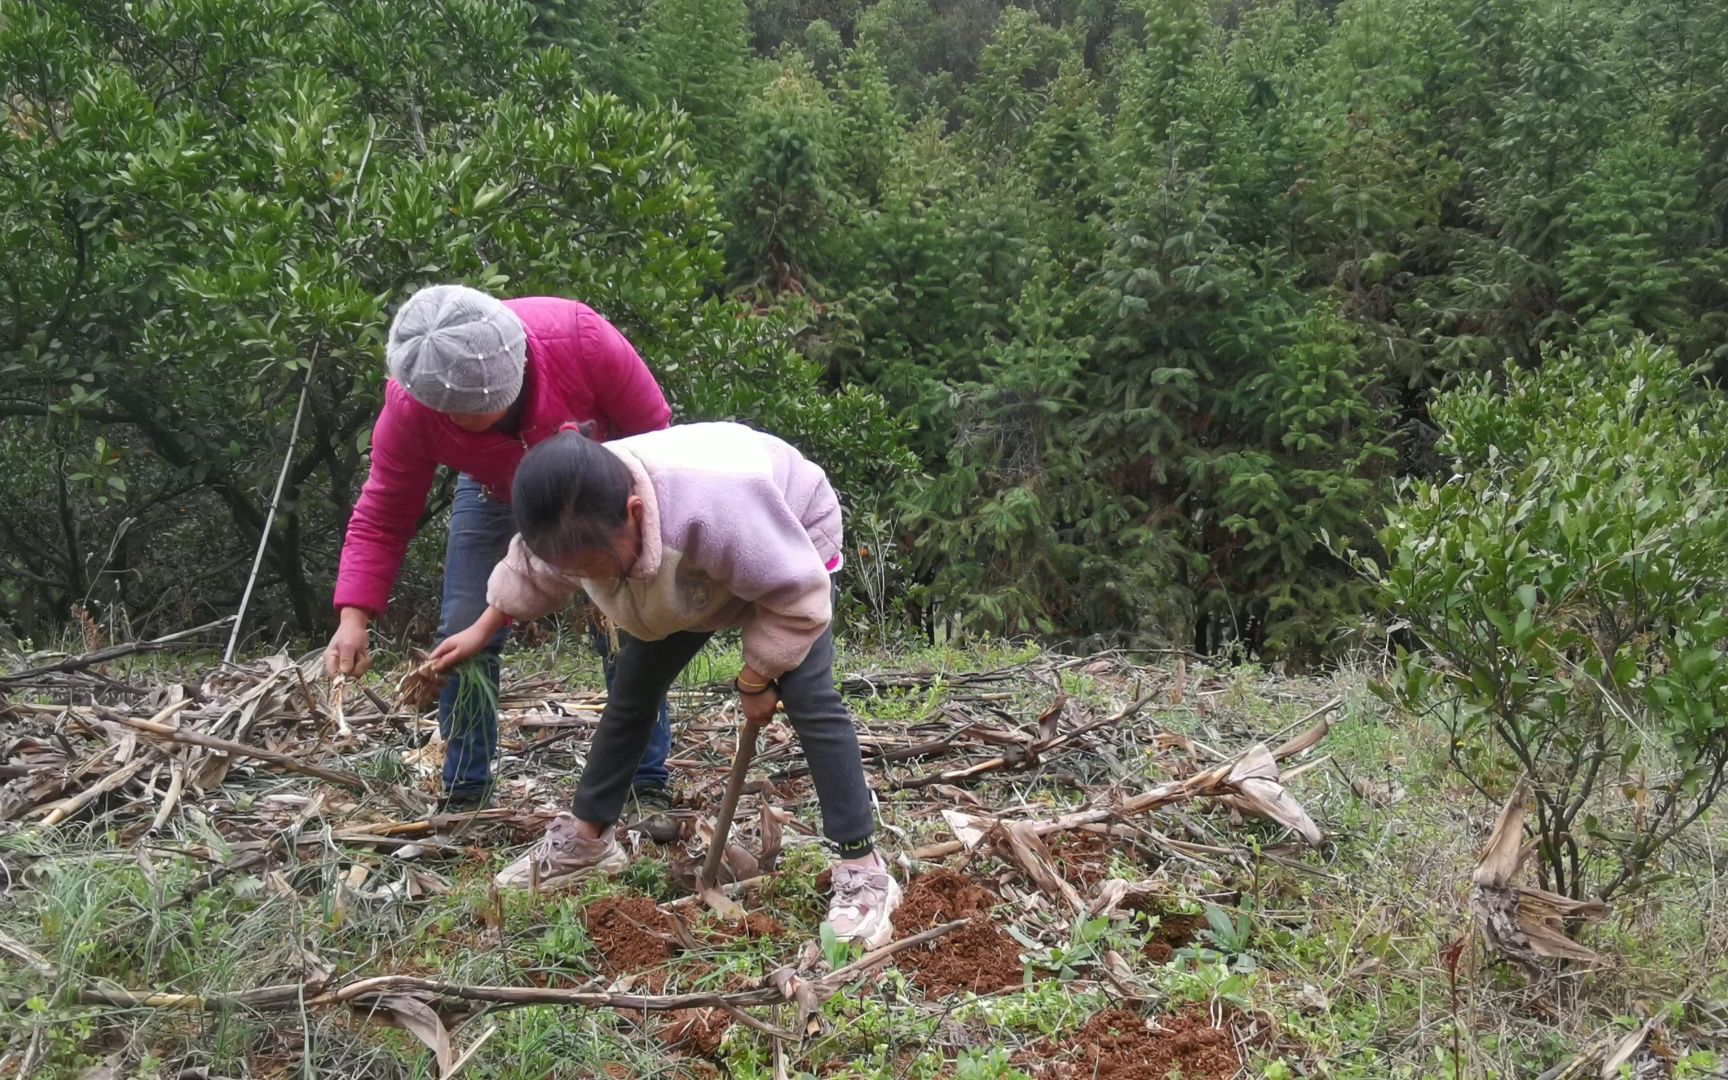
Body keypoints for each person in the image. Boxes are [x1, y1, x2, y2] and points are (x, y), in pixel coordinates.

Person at [431, 422, 902, 946]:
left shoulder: (717, 509)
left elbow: (797, 597)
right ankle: (587, 842)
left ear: (634, 514)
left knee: (811, 698)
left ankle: (864, 866)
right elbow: (534, 565)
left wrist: (756, 678)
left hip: (788, 537)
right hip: (691, 565)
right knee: (631, 693)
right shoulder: (570, 503)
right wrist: (481, 628)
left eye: (595, 568)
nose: (593, 581)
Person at [324, 284, 679, 830]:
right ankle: (466, 791)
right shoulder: (412, 408)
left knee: (628, 625)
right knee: (465, 627)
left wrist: (635, 543)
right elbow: (384, 511)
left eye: (487, 404)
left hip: (598, 482)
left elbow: (660, 444)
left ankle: (645, 782)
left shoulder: (580, 339)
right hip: (494, 492)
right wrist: (353, 616)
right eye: (462, 412)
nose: (478, 413)